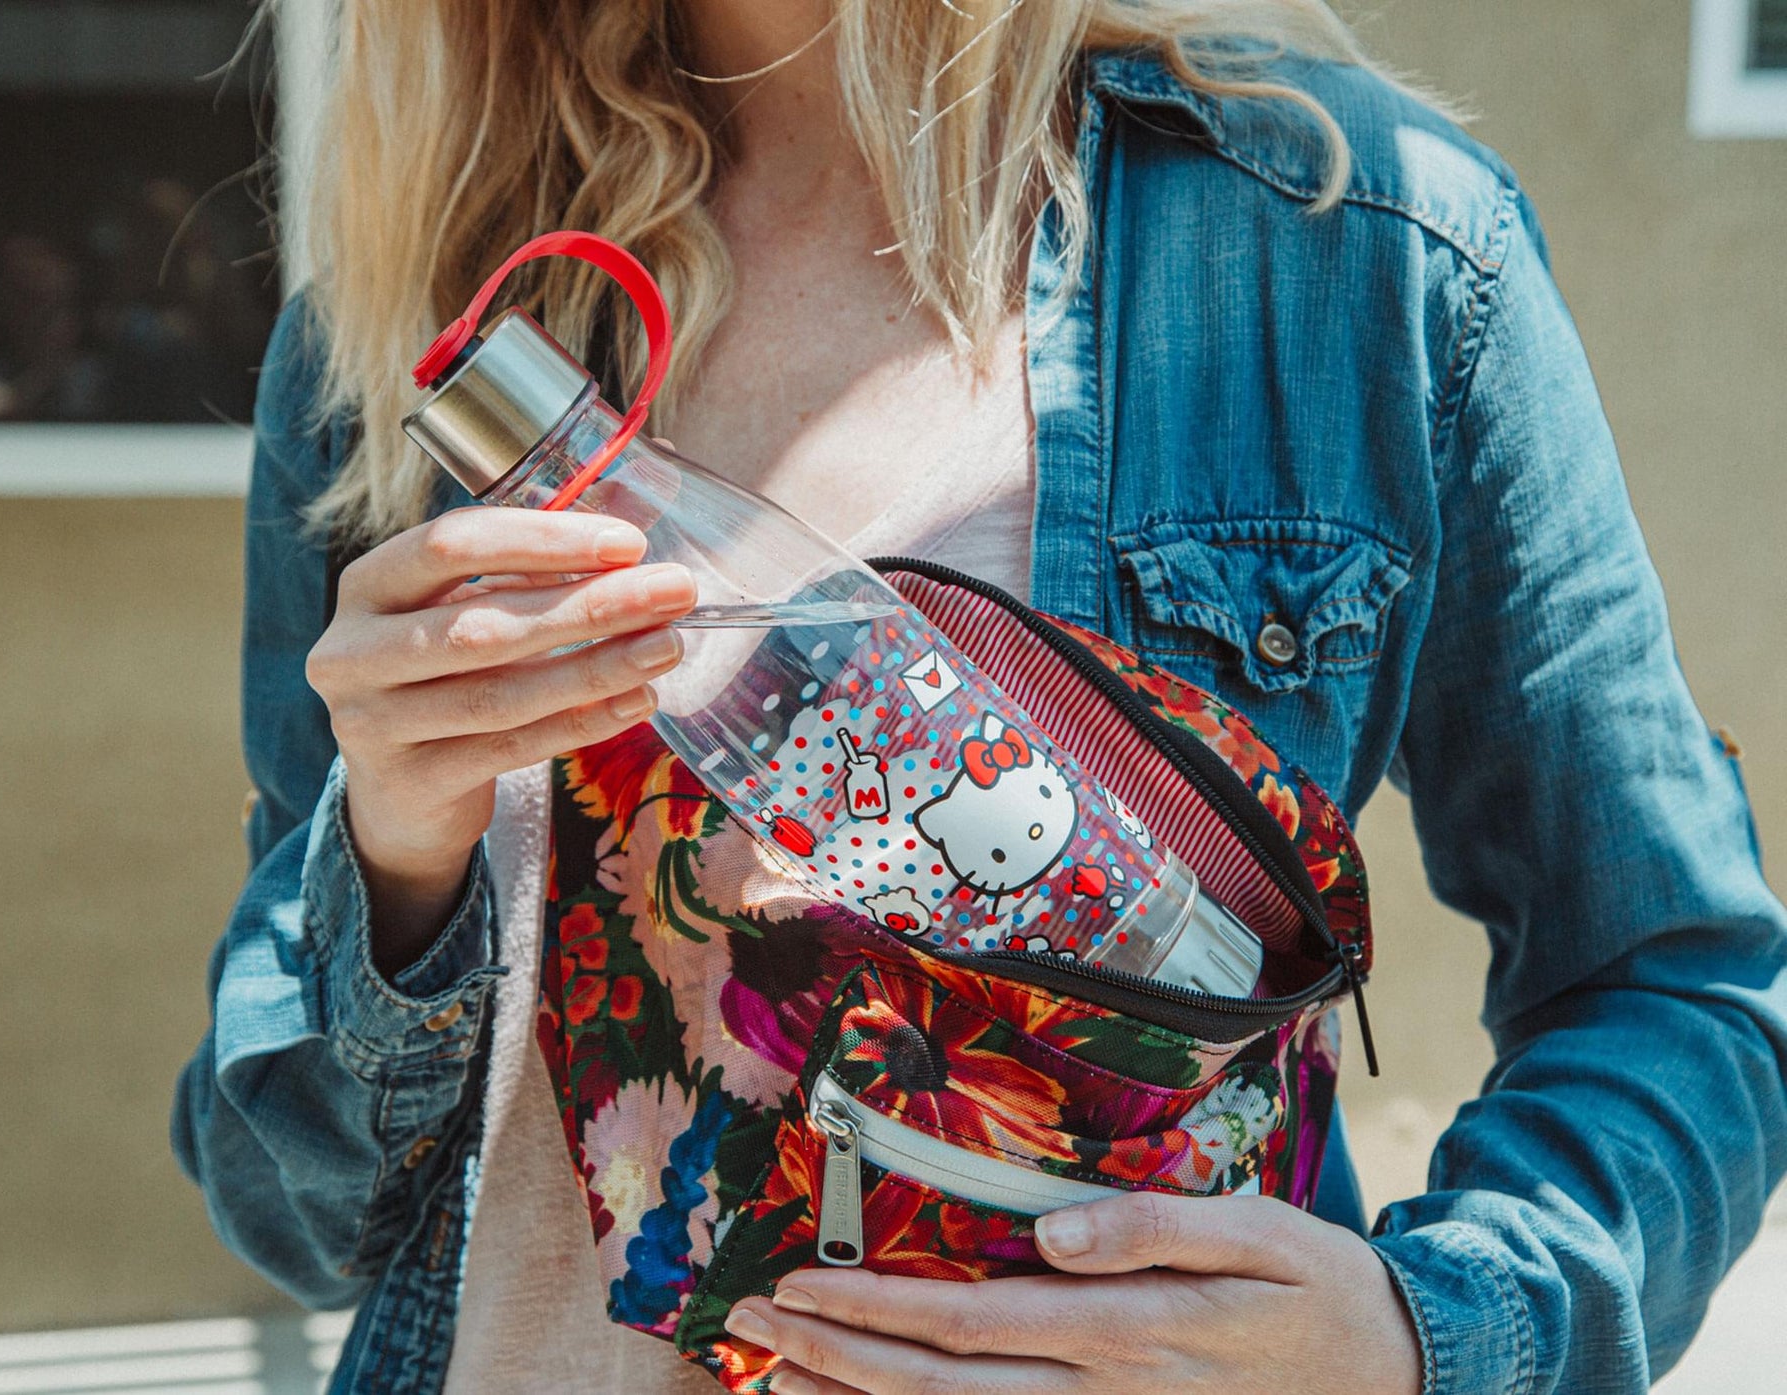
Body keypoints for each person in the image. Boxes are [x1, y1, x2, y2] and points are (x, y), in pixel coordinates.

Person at [172, 2, 1787, 1392]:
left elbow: (1674, 982)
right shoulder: (409, 346)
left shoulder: (1350, 253)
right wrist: (392, 851)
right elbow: (297, 1213)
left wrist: (1418, 1332)